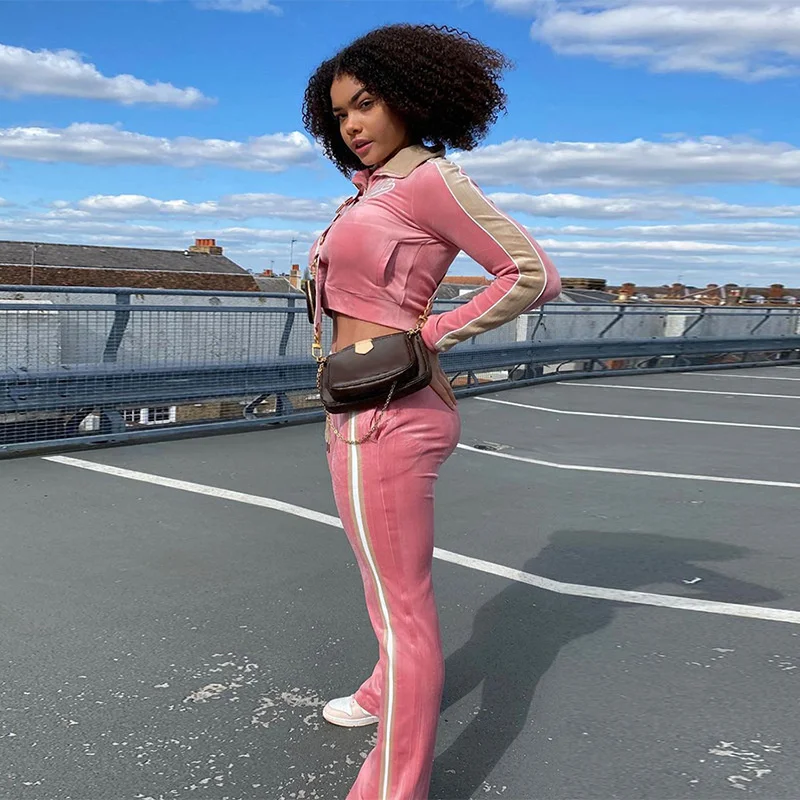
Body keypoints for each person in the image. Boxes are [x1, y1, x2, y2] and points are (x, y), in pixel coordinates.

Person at [302, 23, 561, 800]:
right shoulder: (372, 190)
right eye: (339, 113)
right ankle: (383, 690)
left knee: (401, 610)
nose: (352, 124)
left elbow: (531, 274)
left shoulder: (428, 181)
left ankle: (395, 786)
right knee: (385, 586)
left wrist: (432, 333)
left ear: (410, 99)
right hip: (357, 403)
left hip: (389, 412)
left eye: (367, 103)